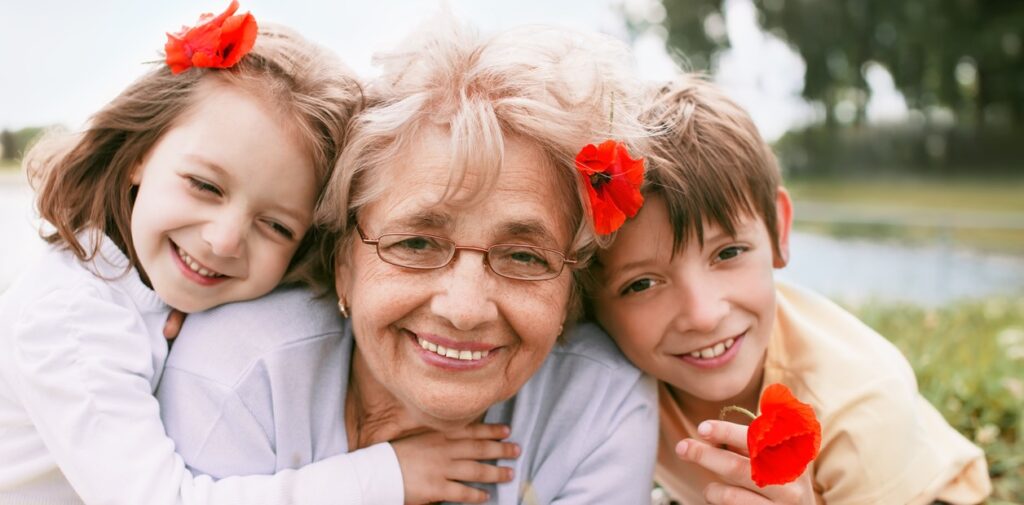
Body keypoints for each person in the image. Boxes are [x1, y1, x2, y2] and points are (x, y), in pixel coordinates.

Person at [0, 5, 511, 504]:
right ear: (139, 153)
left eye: (275, 225)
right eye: (204, 185)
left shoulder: (150, 288)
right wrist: (385, 476)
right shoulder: (70, 317)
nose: (224, 240)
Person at [155, 14, 659, 505]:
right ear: (342, 264)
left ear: (571, 285)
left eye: (524, 256)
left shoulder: (600, 405)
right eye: (416, 244)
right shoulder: (239, 373)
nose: (464, 309)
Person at [586, 75, 992, 504]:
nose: (703, 314)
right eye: (642, 284)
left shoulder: (861, 409)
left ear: (778, 229)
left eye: (728, 253)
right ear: (586, 301)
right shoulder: (600, 375)